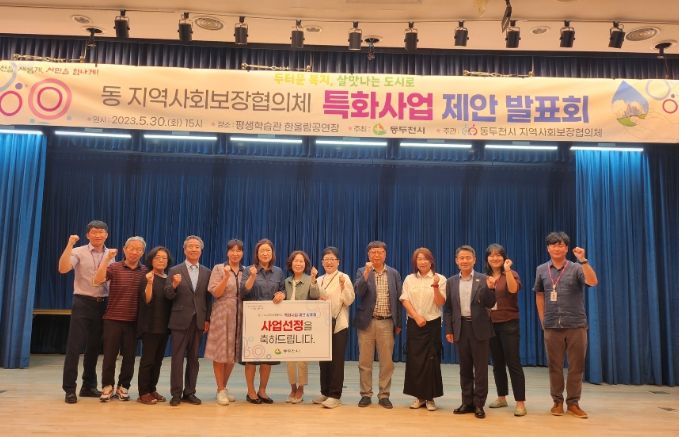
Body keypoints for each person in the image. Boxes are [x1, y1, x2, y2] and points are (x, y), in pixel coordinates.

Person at [534, 231, 598, 419]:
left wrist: (583, 260)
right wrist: (543, 320)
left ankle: (573, 403)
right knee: (554, 366)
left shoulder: (577, 267)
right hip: (552, 325)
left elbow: (593, 282)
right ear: (548, 248)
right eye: (553, 245)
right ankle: (557, 402)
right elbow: (539, 295)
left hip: (576, 324)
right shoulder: (541, 269)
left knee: (576, 366)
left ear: (567, 248)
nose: (557, 248)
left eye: (561, 245)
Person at [58, 220, 112, 404]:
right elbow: (63, 268)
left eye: (101, 232)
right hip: (82, 302)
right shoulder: (78, 251)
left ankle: (88, 386)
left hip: (103, 304)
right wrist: (70, 244)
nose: (98, 235)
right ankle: (69, 389)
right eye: (94, 232)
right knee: (74, 347)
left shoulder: (111, 255)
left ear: (106, 235)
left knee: (94, 348)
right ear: (88, 235)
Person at [443, 245, 496, 419]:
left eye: (468, 258)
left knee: (480, 369)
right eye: (461, 258)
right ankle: (467, 402)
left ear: (474, 260)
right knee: (464, 368)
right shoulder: (451, 281)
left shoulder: (484, 279)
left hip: (480, 329)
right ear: (456, 261)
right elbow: (448, 309)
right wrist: (449, 329)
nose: (464, 261)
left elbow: (490, 303)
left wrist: (491, 288)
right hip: (460, 328)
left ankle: (479, 404)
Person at [93, 236, 148, 402]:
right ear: (124, 249)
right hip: (113, 318)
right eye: (132, 248)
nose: (135, 252)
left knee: (129, 357)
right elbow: (97, 280)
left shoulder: (145, 271)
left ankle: (123, 387)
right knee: (109, 356)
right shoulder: (114, 267)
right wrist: (106, 259)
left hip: (134, 321)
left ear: (142, 252)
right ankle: (107, 386)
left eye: (139, 249)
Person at [354, 240, 402, 409]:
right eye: (373, 252)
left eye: (379, 252)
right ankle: (365, 394)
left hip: (387, 322)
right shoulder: (362, 271)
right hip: (367, 322)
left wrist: (398, 323)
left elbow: (399, 299)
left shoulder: (393, 273)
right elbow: (358, 292)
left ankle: (384, 395)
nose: (376, 255)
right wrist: (367, 273)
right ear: (368, 255)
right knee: (364, 361)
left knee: (387, 362)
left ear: (385, 254)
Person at [165, 235, 212, 407]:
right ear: (184, 250)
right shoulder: (174, 270)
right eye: (190, 246)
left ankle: (190, 392)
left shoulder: (207, 272)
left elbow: (208, 298)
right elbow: (167, 294)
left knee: (194, 359)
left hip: (198, 320)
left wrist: (207, 319)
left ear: (201, 250)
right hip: (180, 320)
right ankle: (176, 393)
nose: (193, 249)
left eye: (196, 247)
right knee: (177, 358)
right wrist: (174, 285)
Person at [400, 247, 447, 412]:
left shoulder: (440, 278)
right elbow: (404, 299)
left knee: (431, 361)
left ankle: (430, 398)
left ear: (431, 261)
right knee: (415, 361)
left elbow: (441, 302)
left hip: (432, 324)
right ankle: (419, 397)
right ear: (415, 262)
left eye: (425, 258)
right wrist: (416, 316)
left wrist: (435, 286)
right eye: (419, 259)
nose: (422, 262)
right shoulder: (409, 279)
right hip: (414, 324)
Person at [240, 238, 286, 404]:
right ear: (257, 254)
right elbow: (243, 292)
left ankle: (262, 390)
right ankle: (251, 391)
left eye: (268, 250)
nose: (265, 253)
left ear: (272, 253)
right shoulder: (249, 270)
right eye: (262, 251)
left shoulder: (278, 272)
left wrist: (282, 295)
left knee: (267, 358)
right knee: (252, 358)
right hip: (252, 321)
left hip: (271, 322)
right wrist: (252, 276)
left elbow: (283, 290)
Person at [484, 244, 527, 417]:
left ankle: (520, 402)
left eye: (498, 255)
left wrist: (507, 270)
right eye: (491, 255)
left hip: (509, 323)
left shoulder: (511, 273)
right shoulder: (484, 277)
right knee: (497, 363)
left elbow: (513, 289)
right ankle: (501, 397)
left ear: (504, 257)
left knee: (513, 362)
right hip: (490, 324)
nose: (495, 258)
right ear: (487, 258)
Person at [313, 246, 355, 409]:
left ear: (338, 262)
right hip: (321, 325)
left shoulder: (344, 277)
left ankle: (335, 395)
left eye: (332, 259)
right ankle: (325, 392)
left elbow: (349, 300)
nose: (329, 262)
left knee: (336, 361)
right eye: (326, 259)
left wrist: (343, 286)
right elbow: (313, 299)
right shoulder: (319, 279)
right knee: (323, 360)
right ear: (322, 262)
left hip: (339, 324)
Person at [205, 239, 245, 406]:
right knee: (221, 351)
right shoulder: (219, 268)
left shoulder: (246, 270)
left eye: (238, 250)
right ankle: (220, 388)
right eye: (232, 250)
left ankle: (223, 388)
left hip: (240, 313)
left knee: (232, 353)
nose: (235, 253)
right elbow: (216, 293)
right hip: (222, 311)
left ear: (242, 253)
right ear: (227, 252)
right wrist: (226, 277)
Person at [136, 246, 173, 405]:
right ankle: (143, 392)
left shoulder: (169, 278)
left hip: (164, 326)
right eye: (158, 257)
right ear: (151, 260)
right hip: (150, 325)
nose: (161, 260)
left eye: (164, 258)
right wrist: (150, 283)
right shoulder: (147, 276)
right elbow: (147, 299)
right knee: (148, 360)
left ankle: (152, 389)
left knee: (158, 361)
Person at [284, 250, 320, 403]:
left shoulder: (309, 279)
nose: (298, 264)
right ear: (291, 263)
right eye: (295, 261)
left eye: (301, 261)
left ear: (305, 264)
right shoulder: (286, 281)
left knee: (302, 359)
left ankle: (301, 388)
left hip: (304, 325)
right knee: (289, 358)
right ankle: (292, 387)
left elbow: (315, 296)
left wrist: (314, 280)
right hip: (288, 324)